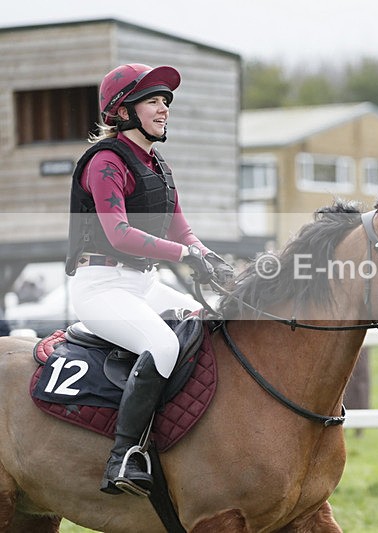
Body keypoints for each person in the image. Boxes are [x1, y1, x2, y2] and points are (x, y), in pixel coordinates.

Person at [65, 63, 234, 496]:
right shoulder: (105, 162)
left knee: (209, 325)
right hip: (100, 287)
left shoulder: (159, 165)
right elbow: (119, 234)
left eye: (165, 102)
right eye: (153, 101)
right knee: (163, 345)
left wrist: (209, 257)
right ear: (123, 111)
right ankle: (124, 456)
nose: (164, 109)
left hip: (143, 285)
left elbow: (183, 231)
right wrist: (186, 255)